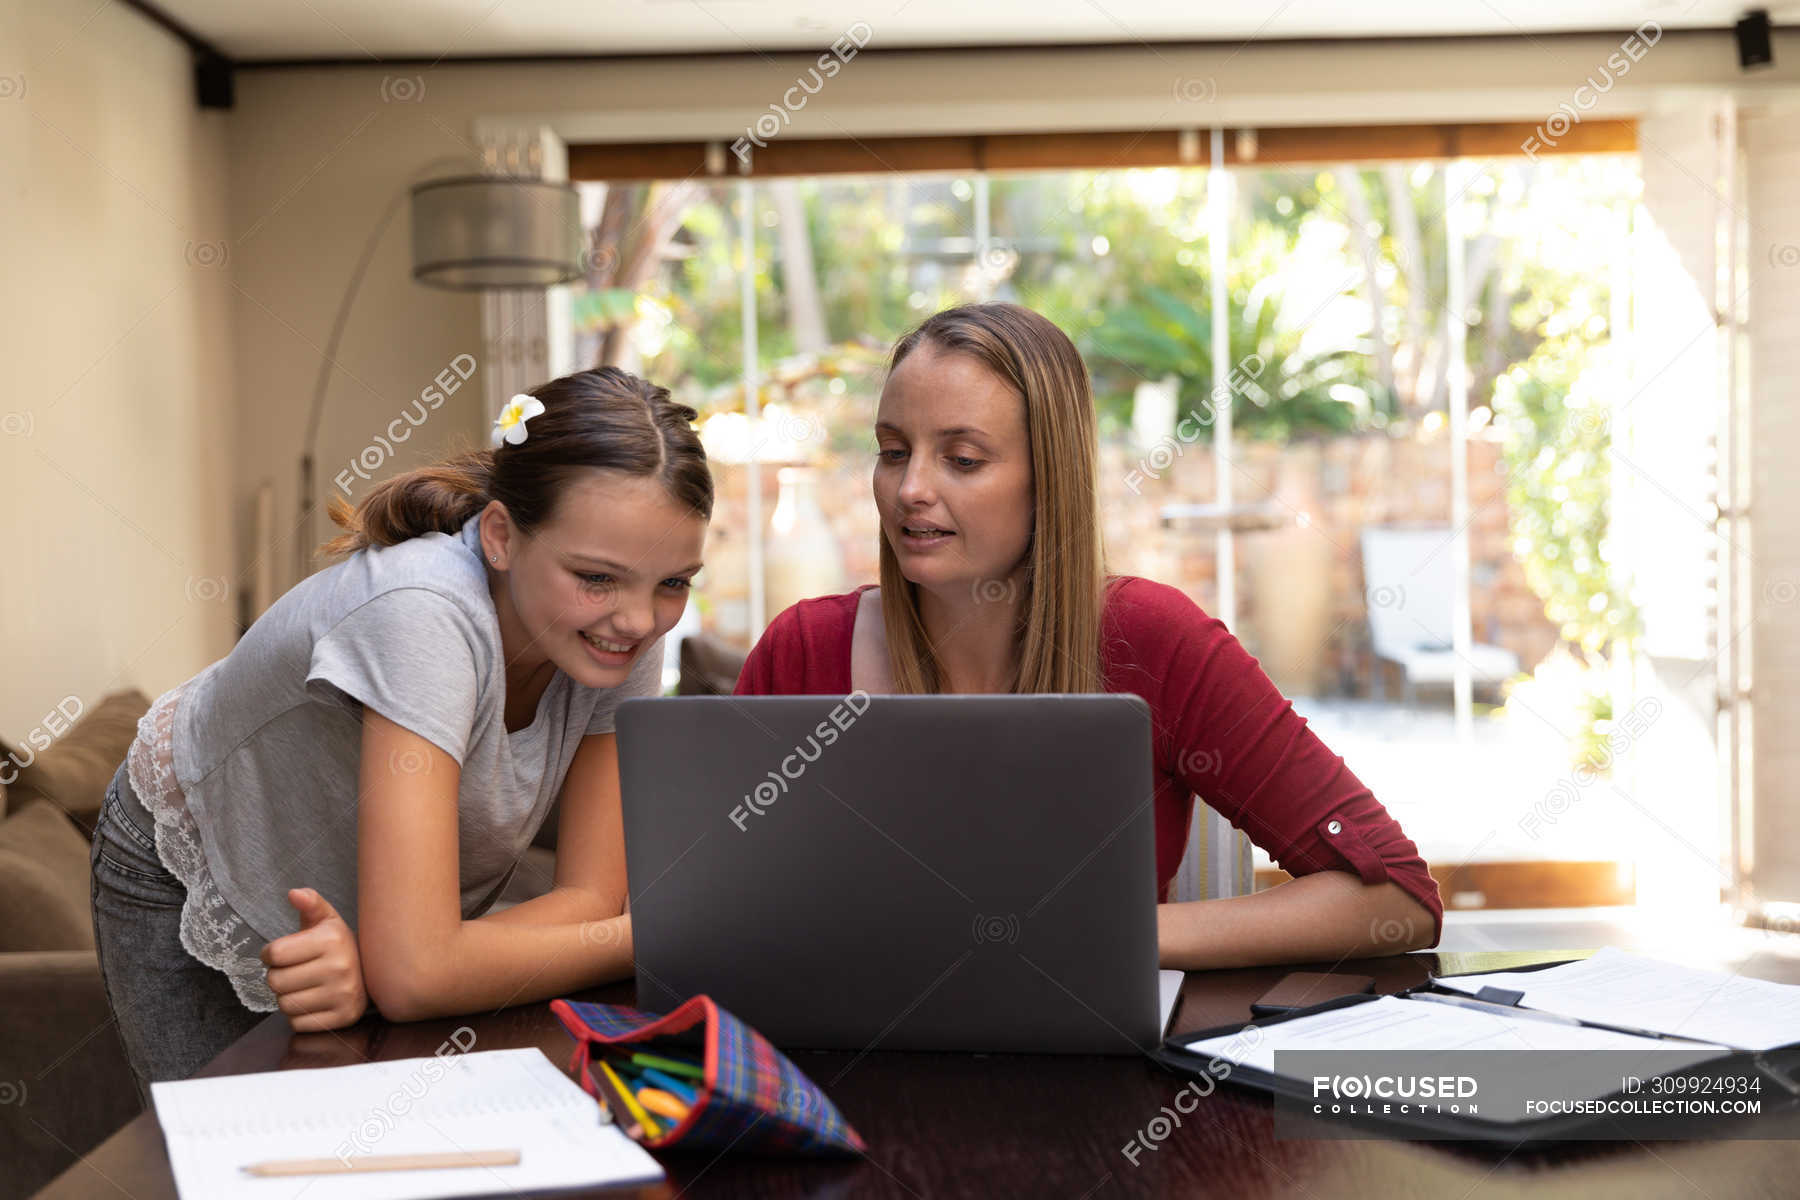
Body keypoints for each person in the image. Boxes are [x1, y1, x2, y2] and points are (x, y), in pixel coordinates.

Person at [733, 303, 1442, 968]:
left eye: (963, 459)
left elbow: (1398, 898)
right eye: (893, 452)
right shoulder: (800, 651)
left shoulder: (1154, 641)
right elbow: (709, 907)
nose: (911, 487)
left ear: (1050, 478)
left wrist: (1110, 939)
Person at [89, 367, 710, 1096]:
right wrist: (657, 938)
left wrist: (403, 968)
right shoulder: (422, 614)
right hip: (194, 856)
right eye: (597, 577)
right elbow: (421, 974)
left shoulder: (620, 636)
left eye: (673, 583)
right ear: (502, 536)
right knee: (227, 1166)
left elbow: (588, 902)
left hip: (363, 928)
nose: (639, 619)